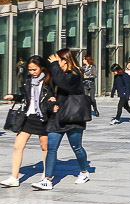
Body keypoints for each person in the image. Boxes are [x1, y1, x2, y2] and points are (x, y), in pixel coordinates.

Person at [32, 49, 90, 190]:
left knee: (76, 147)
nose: (53, 63)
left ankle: (84, 172)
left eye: (57, 60)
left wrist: (54, 66)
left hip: (72, 116)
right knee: (52, 147)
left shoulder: (76, 74)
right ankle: (47, 179)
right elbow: (50, 93)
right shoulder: (55, 74)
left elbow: (64, 83)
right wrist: (51, 104)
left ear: (65, 60)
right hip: (57, 117)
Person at [0, 55, 51, 187]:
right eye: (30, 70)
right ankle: (14, 177)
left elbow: (52, 97)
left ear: (42, 68)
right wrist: (14, 96)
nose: (32, 72)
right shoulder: (28, 80)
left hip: (43, 117)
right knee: (18, 146)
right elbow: (27, 97)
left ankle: (46, 175)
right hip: (28, 116)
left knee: (45, 147)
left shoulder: (49, 81)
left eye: (35, 69)